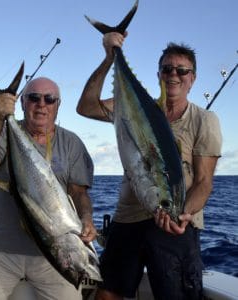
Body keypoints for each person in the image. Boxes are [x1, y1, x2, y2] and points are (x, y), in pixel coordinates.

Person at [76, 32, 222, 300]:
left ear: (193, 78)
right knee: (107, 293)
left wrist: (184, 213)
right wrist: (110, 58)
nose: (174, 75)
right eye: (167, 69)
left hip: (175, 219)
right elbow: (85, 107)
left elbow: (204, 182)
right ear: (158, 75)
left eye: (182, 70)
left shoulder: (204, 120)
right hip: (128, 217)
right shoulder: (129, 105)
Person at [0, 77, 97, 300]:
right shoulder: (3, 134)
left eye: (49, 99)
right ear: (23, 103)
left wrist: (86, 217)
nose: (41, 104)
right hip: (1, 249)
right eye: (33, 98)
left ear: (58, 105)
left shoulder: (71, 143)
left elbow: (79, 193)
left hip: (52, 258)